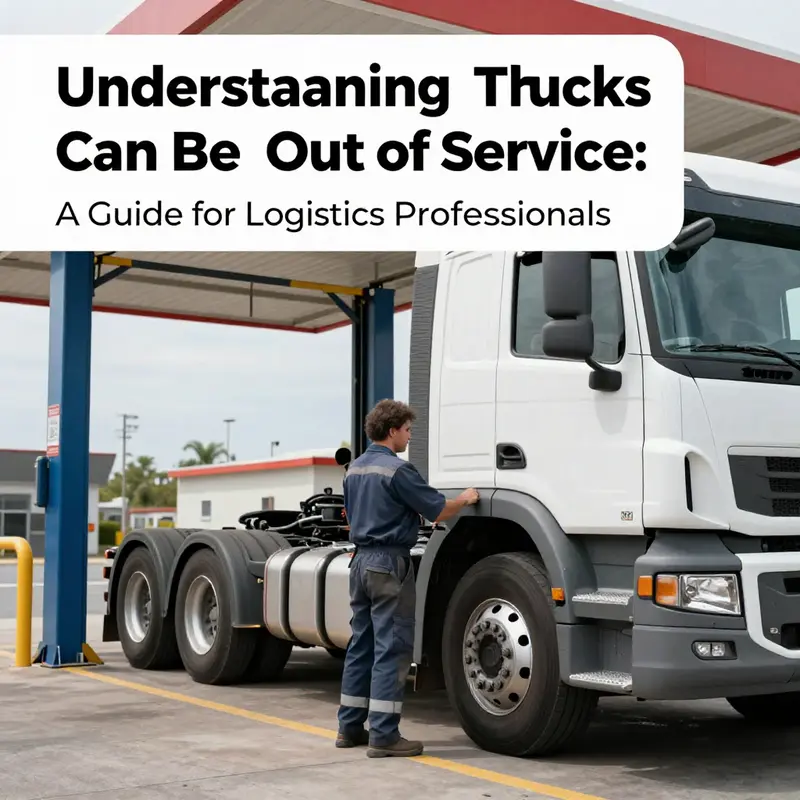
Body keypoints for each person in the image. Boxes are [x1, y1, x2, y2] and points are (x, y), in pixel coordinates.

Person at [335, 399, 480, 758]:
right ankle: (384, 735)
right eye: (407, 430)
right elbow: (438, 509)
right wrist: (464, 499)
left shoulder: (353, 470)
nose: (409, 436)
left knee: (361, 645)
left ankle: (349, 728)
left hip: (360, 561)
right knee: (392, 647)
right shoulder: (398, 470)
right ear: (391, 431)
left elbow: (352, 516)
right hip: (388, 562)